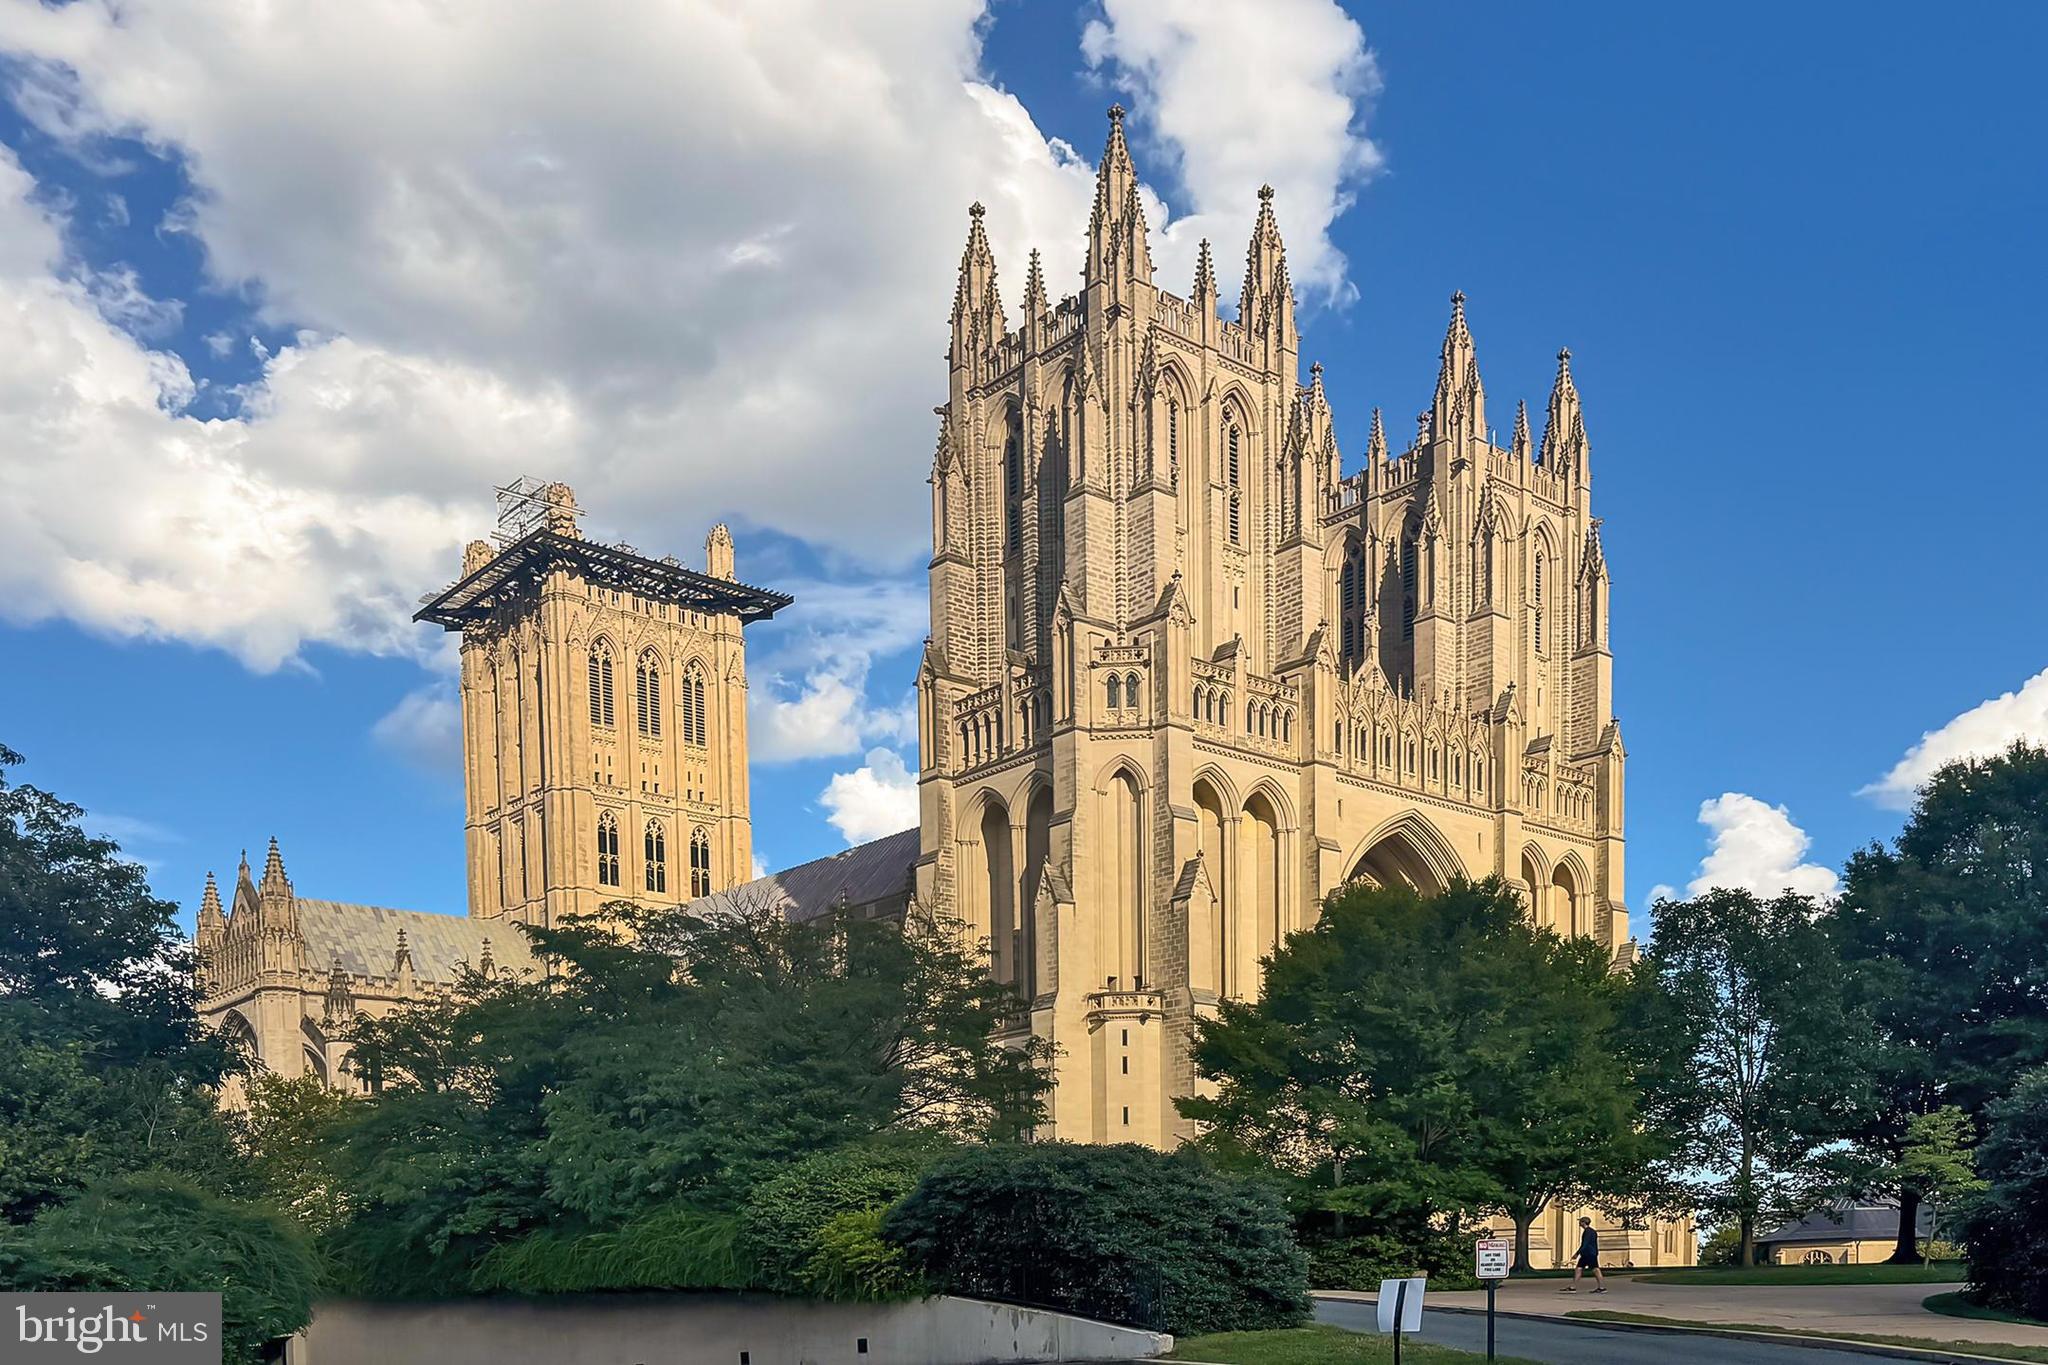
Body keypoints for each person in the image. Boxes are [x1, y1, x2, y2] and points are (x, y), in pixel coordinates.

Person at [1561, 1216, 1607, 1293]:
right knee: (1579, 1268)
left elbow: (1585, 1244)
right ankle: (1573, 1287)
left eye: (1580, 1222)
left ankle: (1601, 1287)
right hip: (1591, 1253)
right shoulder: (1593, 1231)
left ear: (1583, 1222)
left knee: (1595, 1270)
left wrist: (1577, 1253)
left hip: (1588, 1254)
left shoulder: (1587, 1232)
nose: (1579, 1223)